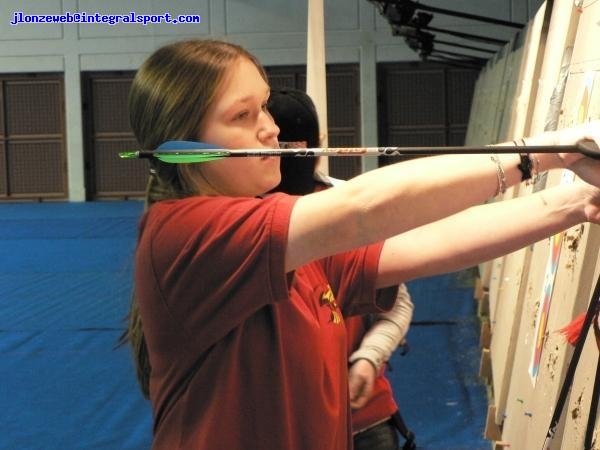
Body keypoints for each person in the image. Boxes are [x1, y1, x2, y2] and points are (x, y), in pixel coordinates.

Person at [123, 38, 600, 450]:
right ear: (185, 147)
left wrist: (579, 202)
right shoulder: (184, 232)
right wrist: (550, 151)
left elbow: (429, 242)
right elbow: (360, 210)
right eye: (242, 116)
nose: (270, 129)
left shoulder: (289, 241)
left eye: (264, 106)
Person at [267, 87, 416, 450]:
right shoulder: (237, 224)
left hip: (362, 419)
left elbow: (397, 302)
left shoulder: (348, 211)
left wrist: (367, 357)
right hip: (282, 427)